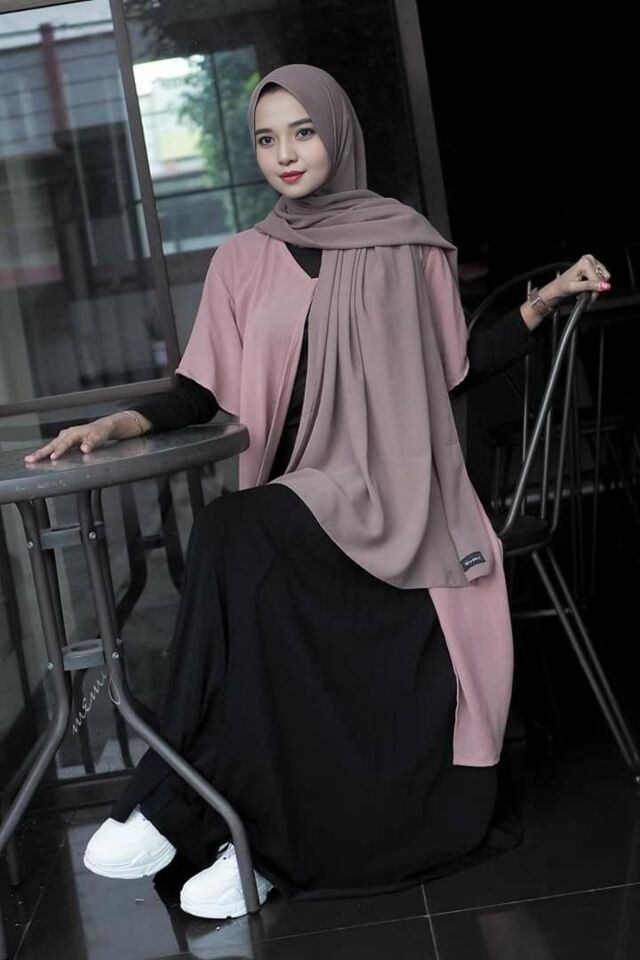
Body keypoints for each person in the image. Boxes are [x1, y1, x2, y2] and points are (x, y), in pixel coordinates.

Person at [25, 64, 611, 920]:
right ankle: (233, 830)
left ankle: (173, 801)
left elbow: (453, 368)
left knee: (232, 534)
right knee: (242, 547)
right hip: (303, 491)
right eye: (267, 139)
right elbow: (199, 388)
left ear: (337, 131)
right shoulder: (241, 260)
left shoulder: (406, 245)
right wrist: (118, 422)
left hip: (399, 495)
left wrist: (544, 301)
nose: (285, 153)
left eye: (303, 131)